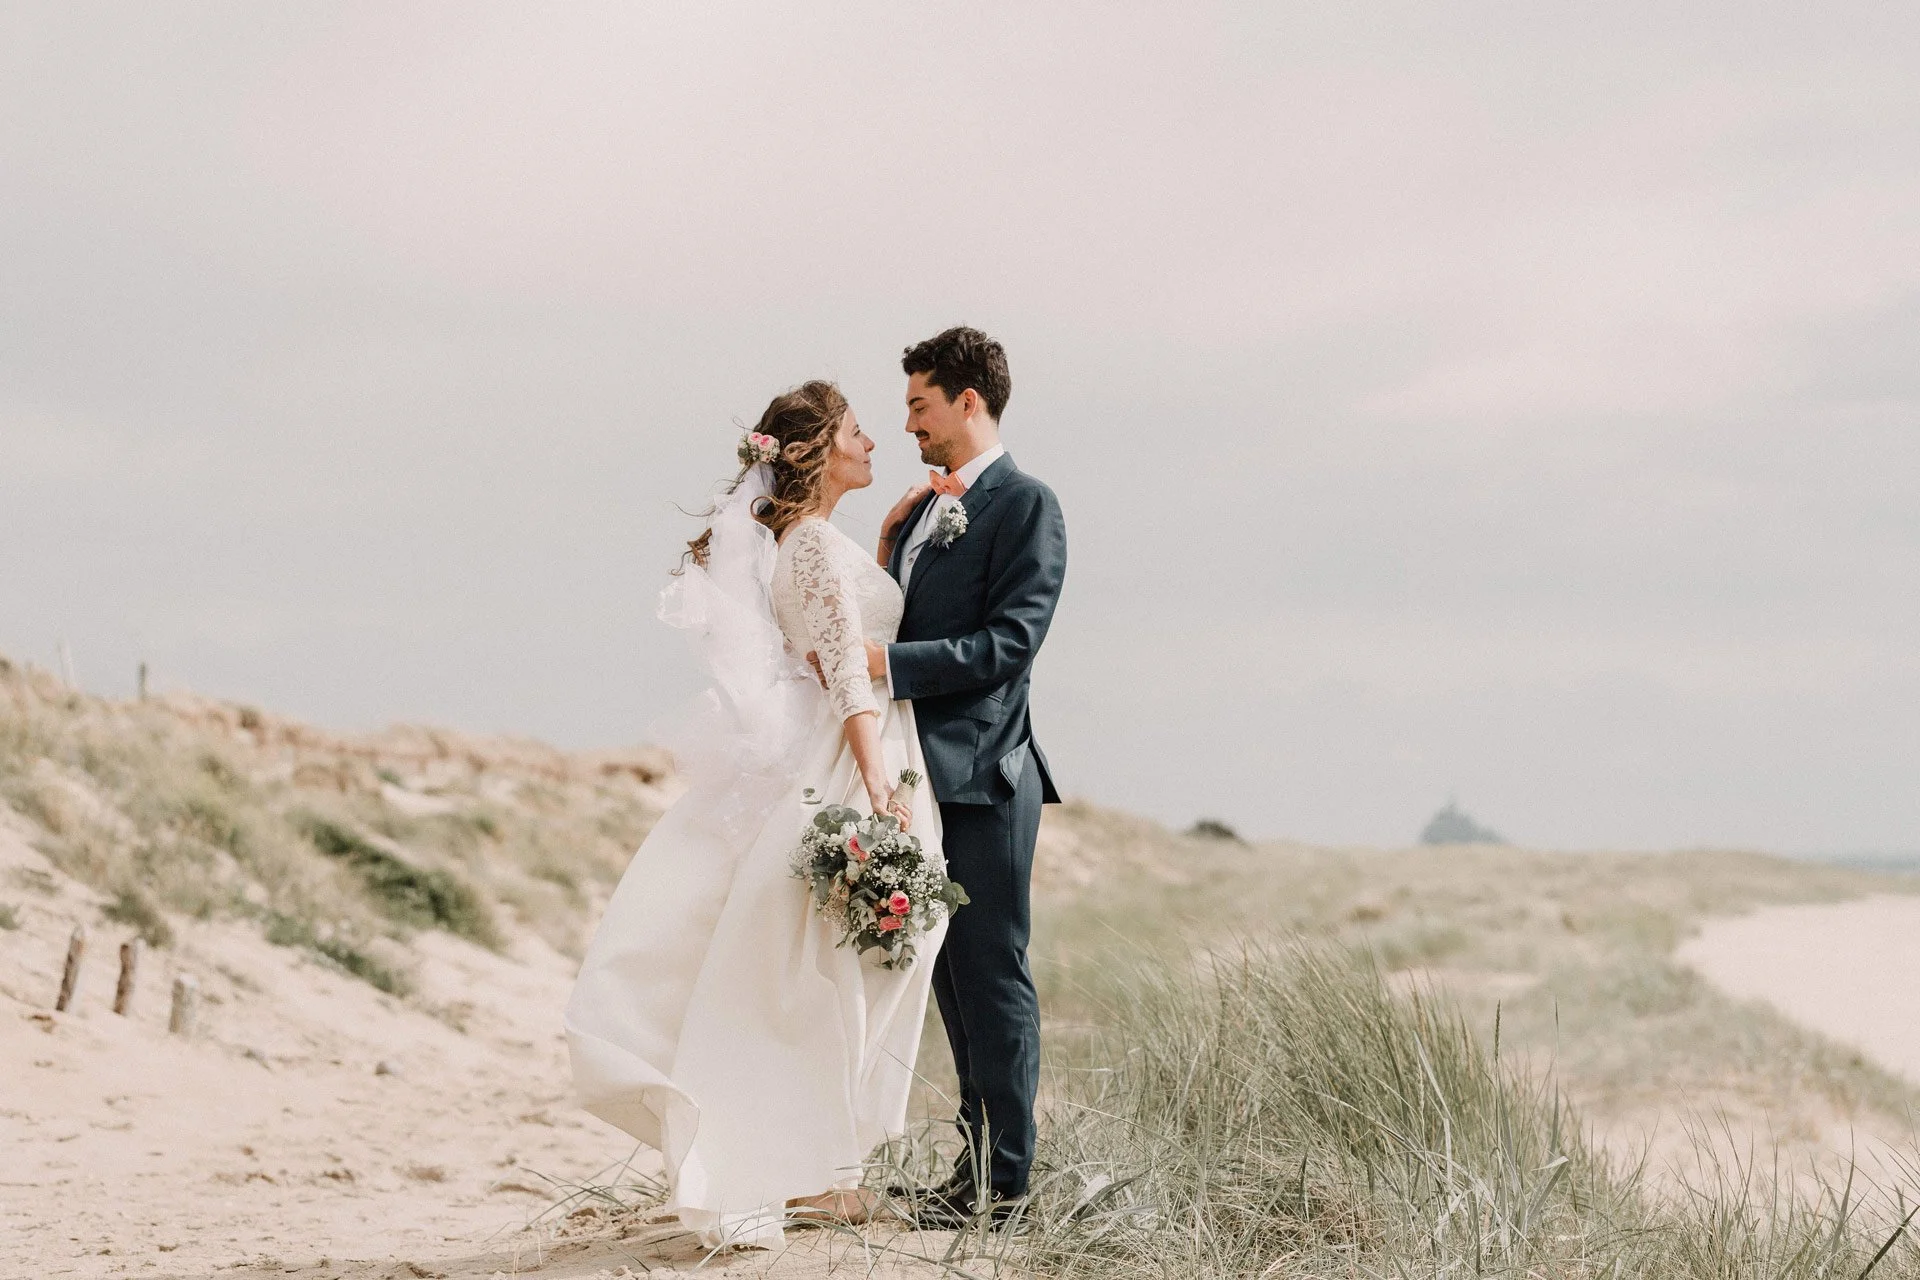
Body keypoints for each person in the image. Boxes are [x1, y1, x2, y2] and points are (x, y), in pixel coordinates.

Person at [565, 380, 944, 1249]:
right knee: (841, 963)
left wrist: (885, 540)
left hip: (850, 748)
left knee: (845, 961)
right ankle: (822, 1175)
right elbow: (848, 668)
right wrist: (876, 780)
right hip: (852, 756)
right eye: (856, 430)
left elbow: (846, 623)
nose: (874, 440)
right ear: (814, 451)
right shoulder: (808, 541)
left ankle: (823, 1165)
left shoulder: (820, 539)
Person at [868, 327, 1068, 1227]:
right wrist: (883, 549)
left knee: (992, 974)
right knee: (946, 976)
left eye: (919, 404)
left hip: (987, 772)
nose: (908, 423)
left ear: (968, 402)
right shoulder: (914, 514)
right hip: (918, 775)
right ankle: (974, 1171)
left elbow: (1009, 645)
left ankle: (1013, 1189)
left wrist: (890, 666)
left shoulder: (1028, 504)